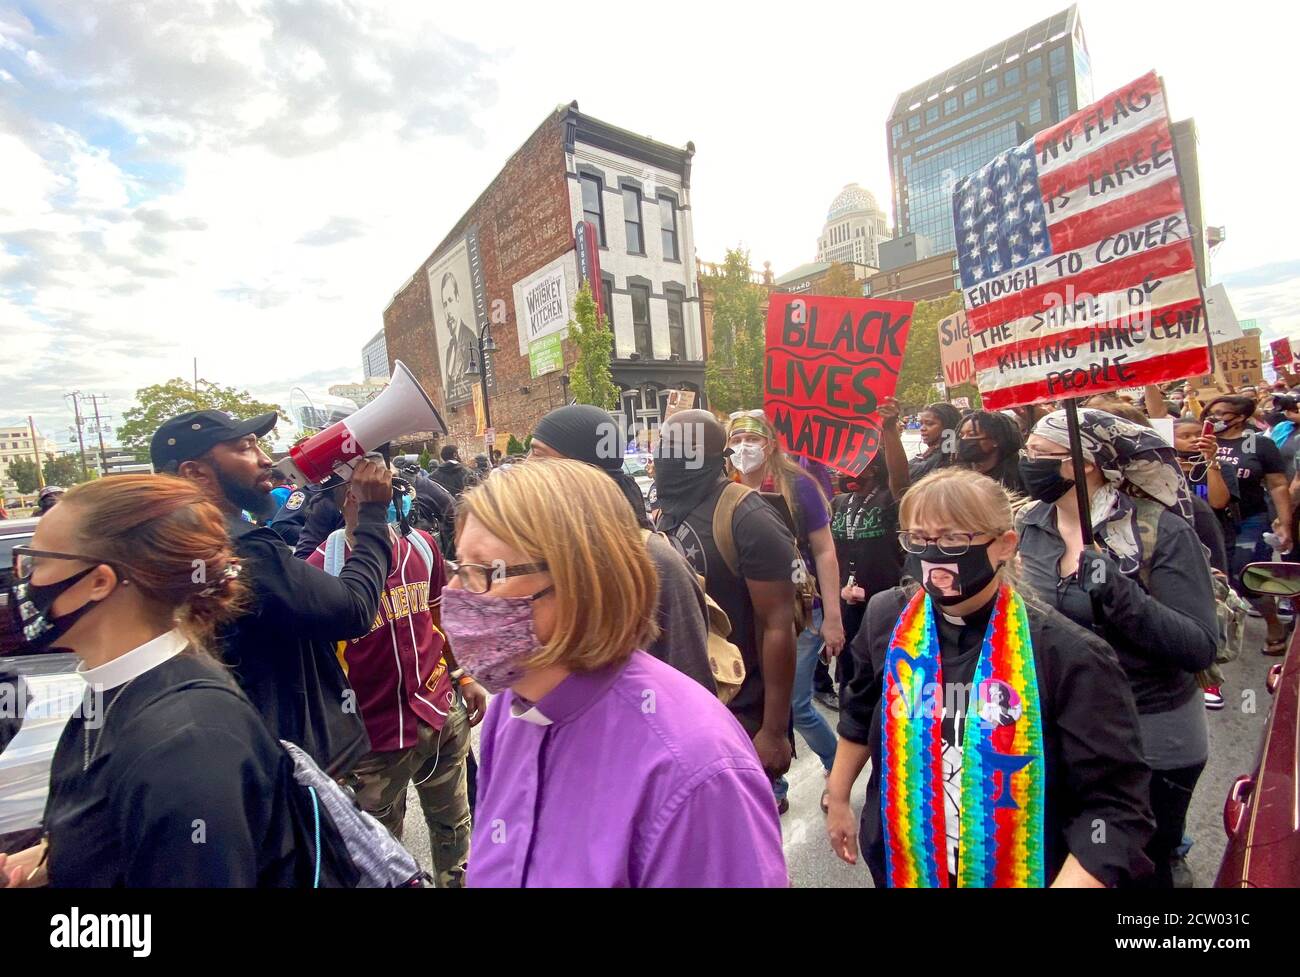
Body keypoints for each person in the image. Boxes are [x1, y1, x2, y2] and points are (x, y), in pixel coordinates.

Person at [455, 459, 787, 887]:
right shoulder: (512, 706)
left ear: (580, 580)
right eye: (459, 566)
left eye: (486, 572)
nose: (458, 595)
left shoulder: (695, 769)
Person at [0, 475, 344, 887]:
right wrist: (41, 864)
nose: (24, 581)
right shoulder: (117, 690)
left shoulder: (185, 741)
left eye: (37, 562)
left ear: (99, 582)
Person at [826, 468, 1155, 887]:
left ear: (1004, 545)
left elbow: (1116, 810)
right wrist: (838, 798)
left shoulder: (1068, 655)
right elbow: (859, 711)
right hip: (904, 863)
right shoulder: (886, 618)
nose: (934, 555)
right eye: (918, 540)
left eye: (953, 540)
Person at [1016, 408, 1217, 887]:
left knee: (1140, 866)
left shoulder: (1158, 530)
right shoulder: (1026, 526)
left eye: (1041, 454)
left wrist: (1119, 595)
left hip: (1152, 735)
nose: (1027, 462)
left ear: (1083, 464)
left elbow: (1198, 646)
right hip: (1065, 734)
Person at [151, 409, 392, 776]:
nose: (265, 460)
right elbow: (354, 609)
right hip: (291, 762)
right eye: (245, 448)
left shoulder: (177, 540)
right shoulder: (242, 546)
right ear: (195, 472)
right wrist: (374, 515)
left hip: (243, 754)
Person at [307, 479, 484, 888]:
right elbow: (315, 671)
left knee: (455, 827)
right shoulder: (322, 567)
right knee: (381, 852)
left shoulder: (422, 546)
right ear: (351, 498)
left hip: (440, 714)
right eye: (377, 488)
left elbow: (441, 620)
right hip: (373, 741)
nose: (392, 496)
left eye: (390, 485)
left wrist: (464, 675)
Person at [652, 410, 799, 811]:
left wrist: (773, 730)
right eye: (664, 443)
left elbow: (778, 625)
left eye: (678, 446)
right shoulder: (668, 512)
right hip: (684, 714)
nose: (666, 453)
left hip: (739, 717)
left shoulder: (748, 517)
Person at [529, 404, 713, 692]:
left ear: (583, 469)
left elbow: (694, 689)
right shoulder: (539, 552)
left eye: (538, 455)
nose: (525, 465)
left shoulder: (654, 562)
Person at [725, 408, 844, 806]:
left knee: (795, 703)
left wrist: (833, 618)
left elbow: (825, 551)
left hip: (799, 609)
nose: (743, 448)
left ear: (770, 444)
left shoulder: (799, 485)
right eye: (736, 440)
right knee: (759, 696)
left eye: (752, 440)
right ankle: (772, 784)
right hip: (748, 611)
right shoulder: (727, 485)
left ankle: (840, 766)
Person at [1206, 395, 1294, 655]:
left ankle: (1274, 623)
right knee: (1219, 575)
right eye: (1211, 412)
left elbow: (1277, 484)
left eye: (1221, 413)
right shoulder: (1201, 442)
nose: (1214, 418)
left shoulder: (1260, 444)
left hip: (1250, 519)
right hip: (1212, 521)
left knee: (1248, 572)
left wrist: (1285, 522)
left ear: (1241, 417)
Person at [955, 409, 1023, 492]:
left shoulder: (1019, 475)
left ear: (995, 440)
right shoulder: (959, 474)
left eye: (971, 434)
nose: (964, 439)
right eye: (961, 435)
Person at [910, 403, 961, 482]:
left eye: (929, 424)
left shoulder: (949, 457)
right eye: (921, 423)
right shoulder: (930, 452)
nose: (922, 428)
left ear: (948, 426)